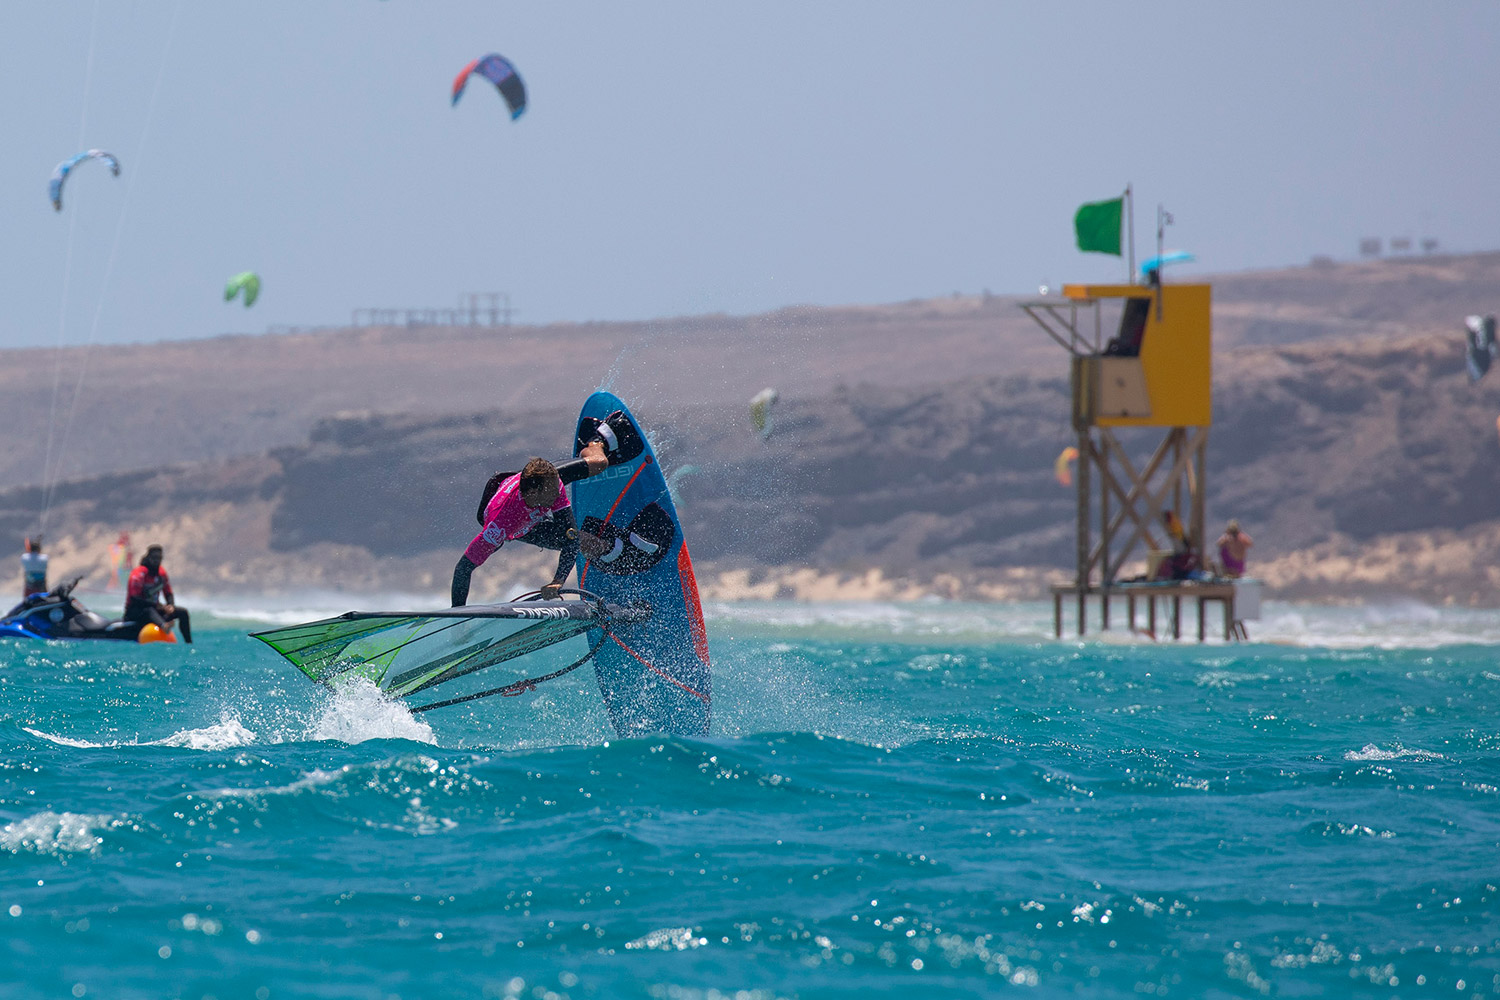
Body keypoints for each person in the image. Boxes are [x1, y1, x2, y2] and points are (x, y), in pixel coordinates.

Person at [451, 411, 640, 606]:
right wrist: (455, 620)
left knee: (600, 463)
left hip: (534, 486)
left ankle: (595, 441)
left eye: (557, 487)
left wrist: (558, 581)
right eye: (553, 492)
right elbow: (463, 569)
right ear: (533, 493)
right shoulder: (500, 526)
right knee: (587, 542)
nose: (559, 493)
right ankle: (614, 550)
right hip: (522, 524)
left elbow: (570, 539)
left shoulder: (552, 485)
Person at [124, 544, 192, 643]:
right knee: (149, 610)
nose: (157, 561)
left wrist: (170, 606)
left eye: (159, 558)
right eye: (154, 558)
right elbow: (135, 599)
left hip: (155, 610)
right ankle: (164, 626)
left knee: (183, 612)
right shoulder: (138, 574)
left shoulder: (161, 573)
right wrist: (158, 606)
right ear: (149, 558)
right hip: (135, 611)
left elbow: (168, 593)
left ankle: (188, 643)